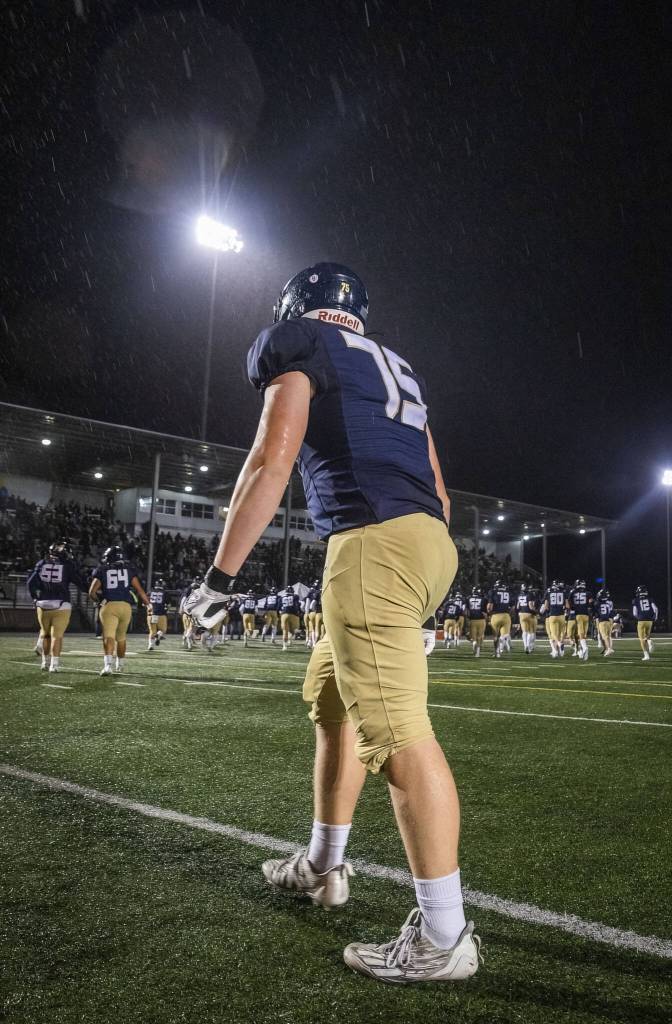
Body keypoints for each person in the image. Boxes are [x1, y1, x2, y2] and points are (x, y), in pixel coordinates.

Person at [183, 262, 480, 984]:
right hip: (424, 540)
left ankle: (444, 937)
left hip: (371, 543)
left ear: (297, 308)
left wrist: (217, 580)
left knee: (398, 734)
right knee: (330, 699)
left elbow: (270, 458)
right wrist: (421, 576)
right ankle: (323, 866)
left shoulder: (299, 345)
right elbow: (437, 483)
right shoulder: (394, 365)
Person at [89, 545, 150, 675]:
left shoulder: (103, 569)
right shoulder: (129, 570)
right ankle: (120, 664)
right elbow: (140, 591)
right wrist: (149, 605)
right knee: (121, 637)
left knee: (109, 636)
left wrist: (100, 601)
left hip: (110, 606)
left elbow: (92, 592)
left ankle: (108, 666)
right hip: (125, 607)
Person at [27, 540, 83, 672]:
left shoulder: (41, 563)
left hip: (43, 604)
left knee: (45, 635)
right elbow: (80, 582)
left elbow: (30, 583)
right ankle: (54, 665)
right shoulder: (68, 565)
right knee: (56, 636)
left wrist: (35, 598)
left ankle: (44, 663)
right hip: (61, 604)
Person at [486, 578, 513, 657]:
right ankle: (502, 644)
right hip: (506, 615)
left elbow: (489, 607)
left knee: (495, 637)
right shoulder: (508, 592)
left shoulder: (493, 591)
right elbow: (512, 607)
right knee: (505, 635)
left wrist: (489, 613)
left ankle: (497, 653)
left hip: (495, 616)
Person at [567, 579, 591, 661]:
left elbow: (568, 602)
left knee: (580, 634)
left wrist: (572, 607)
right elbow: (591, 602)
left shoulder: (573, 592)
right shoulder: (588, 593)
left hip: (578, 615)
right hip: (586, 614)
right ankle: (581, 650)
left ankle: (584, 648)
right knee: (583, 634)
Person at [542, 580, 567, 658]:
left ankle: (557, 647)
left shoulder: (549, 591)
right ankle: (559, 651)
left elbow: (545, 606)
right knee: (560, 634)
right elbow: (567, 605)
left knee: (552, 634)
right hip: (561, 615)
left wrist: (546, 612)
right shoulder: (563, 592)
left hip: (552, 615)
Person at [632, 586, 657, 661]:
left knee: (641, 639)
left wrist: (638, 617)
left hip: (641, 620)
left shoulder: (635, 600)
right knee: (647, 636)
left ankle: (646, 655)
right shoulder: (650, 599)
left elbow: (634, 612)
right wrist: (655, 617)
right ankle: (649, 641)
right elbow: (655, 608)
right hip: (649, 620)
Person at [146, 577, 167, 651]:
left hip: (151, 614)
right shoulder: (164, 592)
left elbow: (144, 603)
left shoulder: (150, 591)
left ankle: (150, 645)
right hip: (161, 614)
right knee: (163, 630)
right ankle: (158, 635)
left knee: (152, 631)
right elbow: (168, 604)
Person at [515, 582, 536, 654]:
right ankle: (528, 645)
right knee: (530, 632)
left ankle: (525, 645)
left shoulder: (519, 595)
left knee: (524, 632)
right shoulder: (529, 594)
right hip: (528, 614)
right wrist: (535, 611)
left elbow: (517, 607)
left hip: (521, 614)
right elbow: (530, 606)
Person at [594, 587, 615, 657]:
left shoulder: (597, 604)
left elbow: (596, 614)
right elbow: (611, 612)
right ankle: (609, 648)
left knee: (604, 636)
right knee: (608, 636)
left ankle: (608, 648)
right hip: (608, 619)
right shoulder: (608, 603)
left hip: (602, 620)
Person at [466, 585, 486, 657]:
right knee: (479, 637)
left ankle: (474, 644)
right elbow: (484, 612)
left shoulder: (468, 598)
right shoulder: (483, 599)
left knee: (473, 638)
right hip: (481, 620)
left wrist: (467, 619)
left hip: (472, 620)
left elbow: (466, 611)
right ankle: (477, 653)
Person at [279, 585, 301, 651]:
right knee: (295, 630)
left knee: (285, 631)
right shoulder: (295, 596)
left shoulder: (281, 597)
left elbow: (279, 607)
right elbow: (297, 605)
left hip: (284, 614)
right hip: (293, 614)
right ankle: (290, 639)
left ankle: (284, 646)